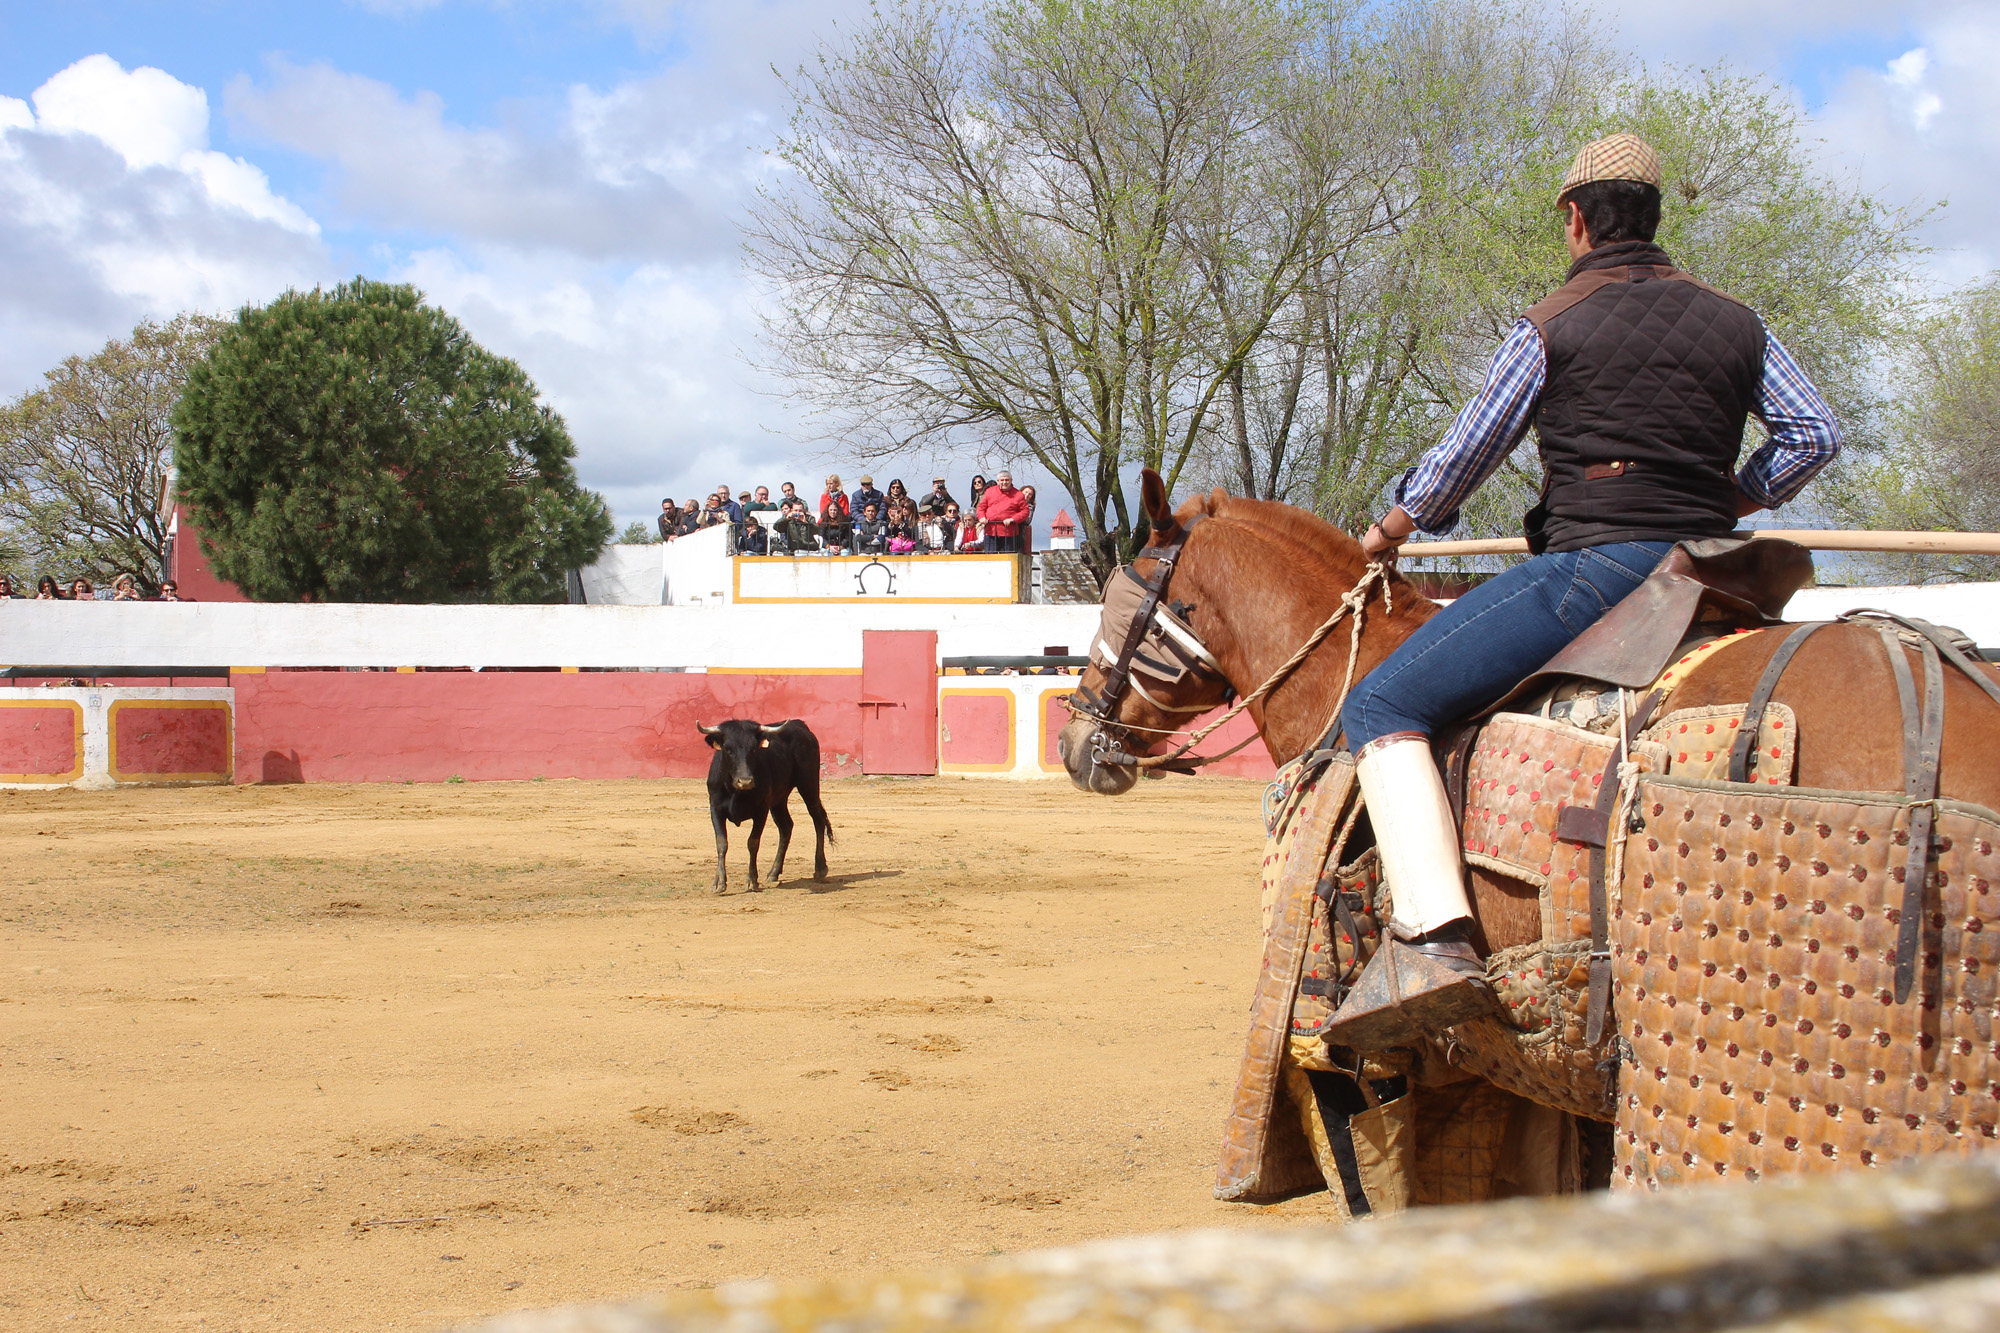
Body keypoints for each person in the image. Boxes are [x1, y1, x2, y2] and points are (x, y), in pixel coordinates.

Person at [1317, 133, 1841, 1050]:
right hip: (1713, 566)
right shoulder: (1737, 320)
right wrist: (1731, 493)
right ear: (1653, 217)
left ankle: (1434, 940)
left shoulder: (1552, 322)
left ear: (1575, 221)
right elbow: (1814, 434)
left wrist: (1388, 529)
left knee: (1384, 699)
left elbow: (1462, 461)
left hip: (1599, 565)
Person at [976, 470, 1031, 553]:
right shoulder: (990, 491)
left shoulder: (1018, 494)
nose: (1004, 482)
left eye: (1007, 480)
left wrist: (1013, 519)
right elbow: (981, 507)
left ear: (1011, 481)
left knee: (1007, 560)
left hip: (1009, 533)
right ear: (998, 481)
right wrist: (982, 517)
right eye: (1002, 480)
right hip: (990, 531)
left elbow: (1025, 511)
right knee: (990, 559)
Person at [818, 475, 853, 552]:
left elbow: (845, 511)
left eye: (831, 483)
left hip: (840, 523)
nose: (829, 486)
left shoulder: (844, 497)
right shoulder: (824, 496)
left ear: (836, 484)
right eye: (827, 484)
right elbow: (823, 511)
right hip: (827, 522)